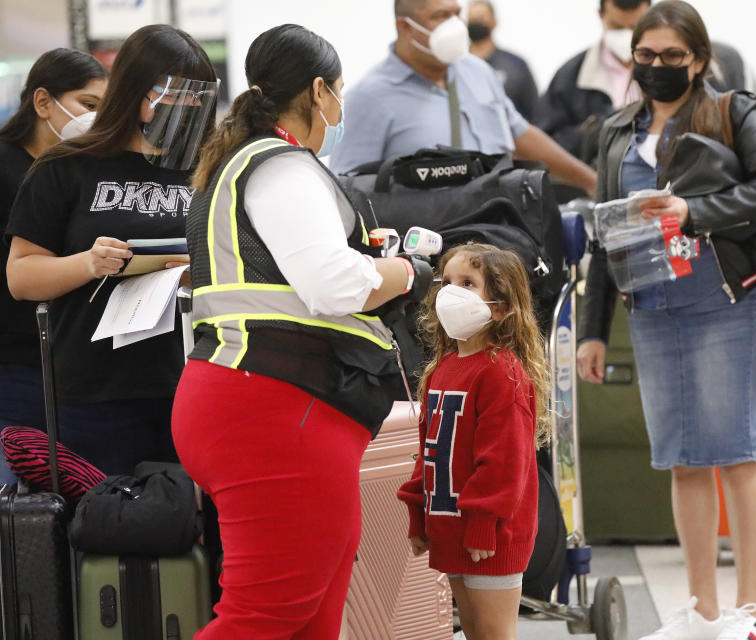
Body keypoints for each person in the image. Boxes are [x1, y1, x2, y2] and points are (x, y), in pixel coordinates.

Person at [172, 24, 433, 639]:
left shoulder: (241, 165)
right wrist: (403, 271)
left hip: (262, 404)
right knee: (266, 616)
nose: (340, 107)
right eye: (338, 92)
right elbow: (334, 284)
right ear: (318, 92)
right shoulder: (283, 167)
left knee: (312, 613)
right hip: (274, 410)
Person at [576, 2, 756, 639]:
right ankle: (701, 612)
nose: (658, 67)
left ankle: (748, 611)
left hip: (725, 300)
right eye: (647, 57)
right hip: (651, 307)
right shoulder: (617, 130)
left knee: (735, 451)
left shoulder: (732, 111)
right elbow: (602, 234)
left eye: (673, 56)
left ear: (698, 59)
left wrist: (692, 210)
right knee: (681, 459)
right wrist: (593, 329)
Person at [5, 25, 218, 475]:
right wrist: (88, 263)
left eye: (194, 95)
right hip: (94, 389)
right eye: (170, 93)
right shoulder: (67, 166)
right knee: (106, 524)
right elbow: (22, 276)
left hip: (193, 379)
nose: (183, 106)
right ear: (133, 88)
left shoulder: (207, 168)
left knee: (192, 525)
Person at [397, 243, 549, 640]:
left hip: (491, 537)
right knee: (474, 634)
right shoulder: (443, 369)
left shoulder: (501, 373)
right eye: (446, 281)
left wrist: (483, 522)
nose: (450, 291)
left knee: (494, 633)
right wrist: (419, 513)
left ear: (499, 307)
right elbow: (429, 451)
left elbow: (504, 461)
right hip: (452, 531)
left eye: (468, 283)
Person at [329, 0, 597, 197]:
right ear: (405, 27)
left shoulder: (478, 71)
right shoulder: (369, 97)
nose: (455, 25)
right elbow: (347, 191)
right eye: (440, 16)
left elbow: (521, 136)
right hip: (430, 254)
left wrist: (592, 181)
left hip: (500, 234)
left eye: (457, 13)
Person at [0, 48, 107, 483]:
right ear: (43, 102)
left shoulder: (79, 171)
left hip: (67, 358)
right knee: (23, 493)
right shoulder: (8, 166)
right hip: (15, 357)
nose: (96, 119)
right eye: (88, 105)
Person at [538, 0, 755, 163]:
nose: (625, 35)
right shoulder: (571, 76)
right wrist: (590, 133)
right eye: (616, 27)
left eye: (634, 27)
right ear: (600, 16)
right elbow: (546, 143)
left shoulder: (717, 71)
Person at [467, 0, 539, 121]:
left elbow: (535, 112)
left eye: (481, 17)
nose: (476, 23)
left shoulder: (516, 66)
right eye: (472, 19)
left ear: (494, 22)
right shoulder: (454, 65)